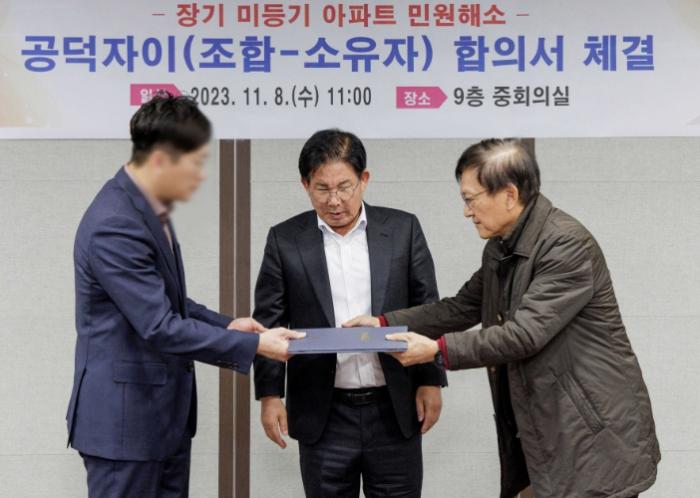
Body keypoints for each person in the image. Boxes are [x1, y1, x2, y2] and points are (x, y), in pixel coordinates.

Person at [346, 138, 660, 498]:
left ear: (509, 195)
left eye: (470, 199)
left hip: (591, 433)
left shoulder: (566, 244)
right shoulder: (501, 246)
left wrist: (436, 350)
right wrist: (384, 323)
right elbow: (461, 306)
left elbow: (524, 334)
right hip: (546, 427)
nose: (466, 212)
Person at [66, 93, 303, 498]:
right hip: (126, 428)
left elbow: (170, 303)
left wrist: (229, 325)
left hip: (161, 422)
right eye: (193, 162)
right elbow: (159, 326)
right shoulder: (115, 223)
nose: (199, 174)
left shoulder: (147, 209)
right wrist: (256, 345)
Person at [253, 129, 447, 497]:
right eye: (322, 189)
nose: (335, 200)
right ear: (305, 185)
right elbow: (269, 321)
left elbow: (427, 308)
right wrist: (269, 395)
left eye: (345, 187)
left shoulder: (403, 229)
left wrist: (431, 380)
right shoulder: (285, 239)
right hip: (323, 413)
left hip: (393, 409)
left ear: (364, 179)